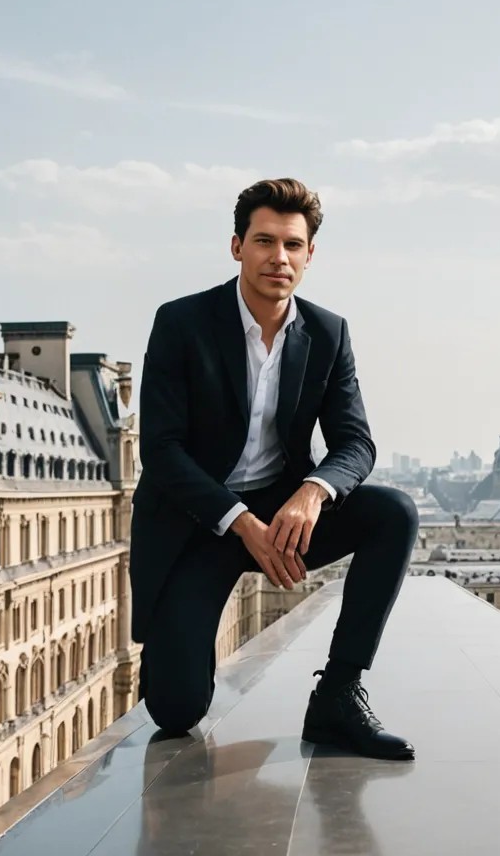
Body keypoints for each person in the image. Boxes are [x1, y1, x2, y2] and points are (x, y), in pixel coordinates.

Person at [129, 178, 418, 760]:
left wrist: (313, 491)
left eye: (292, 244)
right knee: (177, 711)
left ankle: (339, 694)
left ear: (310, 254)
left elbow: (355, 443)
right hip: (198, 524)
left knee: (394, 512)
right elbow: (161, 450)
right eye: (264, 241)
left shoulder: (328, 332)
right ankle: (168, 653)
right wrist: (239, 521)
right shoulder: (181, 323)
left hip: (285, 514)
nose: (278, 258)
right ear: (237, 246)